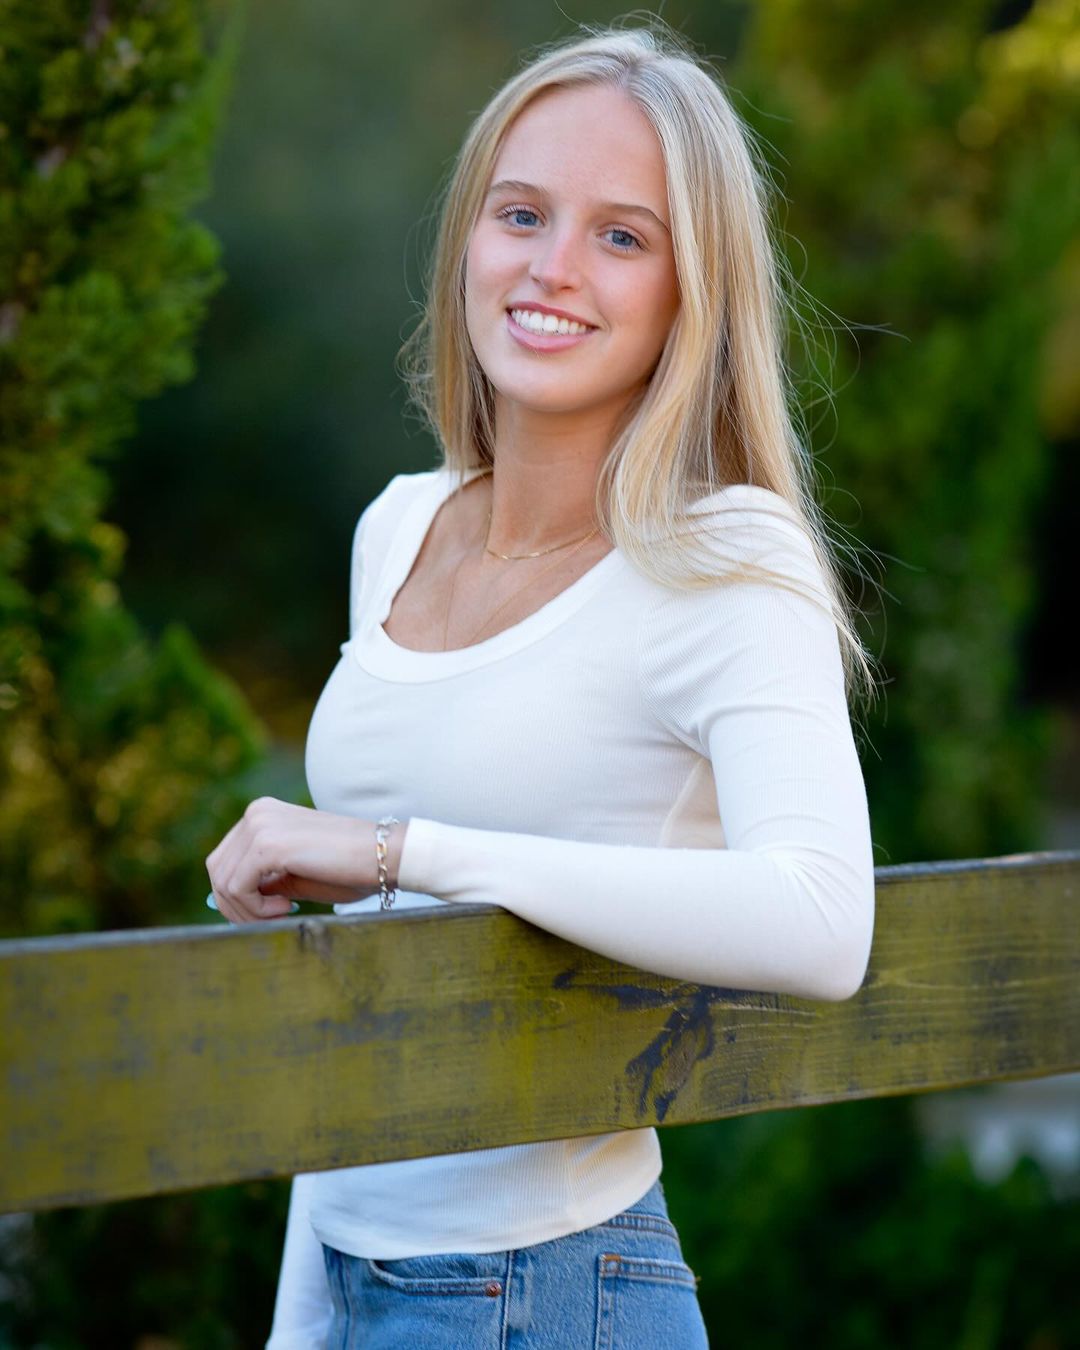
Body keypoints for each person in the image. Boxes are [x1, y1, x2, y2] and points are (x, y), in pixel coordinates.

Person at [205, 19, 877, 1349]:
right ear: (469, 237)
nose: (551, 266)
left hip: (549, 1290)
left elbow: (822, 920)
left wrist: (403, 849)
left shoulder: (726, 559)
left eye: (622, 236)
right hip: (352, 1276)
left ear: (693, 292)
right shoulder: (399, 525)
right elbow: (367, 984)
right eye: (521, 214)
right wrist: (301, 1321)